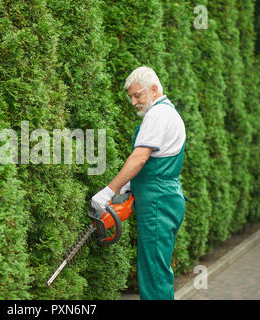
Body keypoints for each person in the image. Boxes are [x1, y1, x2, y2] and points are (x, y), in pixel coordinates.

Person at [91, 66, 186, 300]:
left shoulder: (156, 115)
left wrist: (109, 190)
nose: (133, 102)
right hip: (163, 197)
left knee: (154, 275)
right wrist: (130, 185)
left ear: (154, 90)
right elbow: (157, 160)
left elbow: (140, 157)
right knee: (156, 269)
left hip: (157, 202)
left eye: (138, 95)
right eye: (131, 97)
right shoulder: (169, 112)